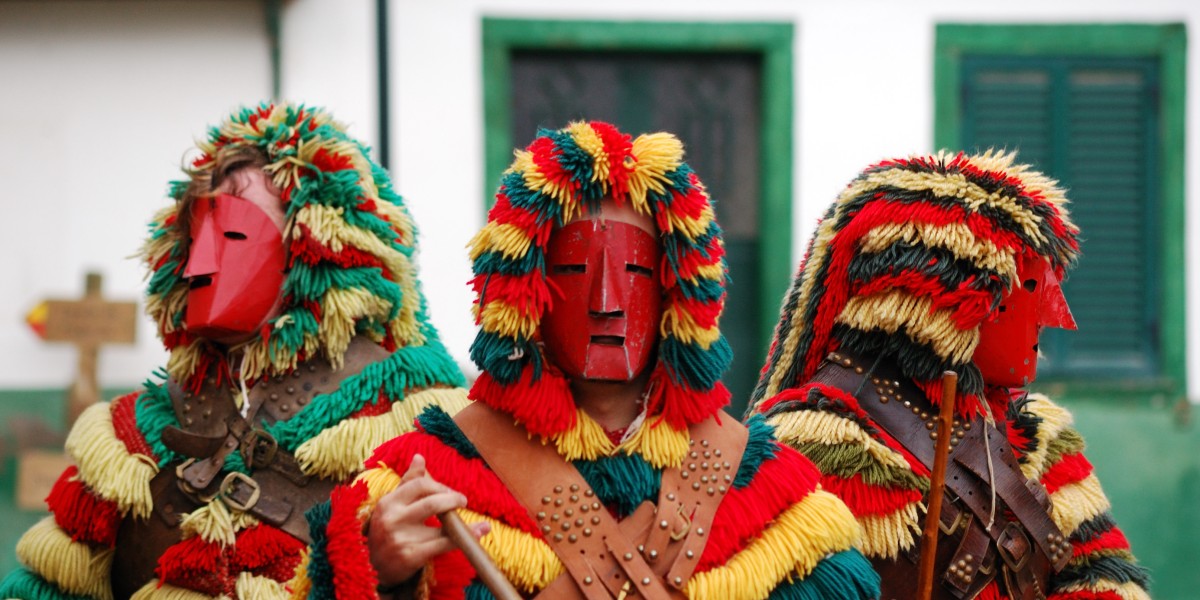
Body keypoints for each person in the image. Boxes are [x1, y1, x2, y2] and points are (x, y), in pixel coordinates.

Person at [289, 121, 881, 599]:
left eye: (636, 273)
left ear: (678, 294)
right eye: (574, 270)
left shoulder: (768, 488)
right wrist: (374, 572)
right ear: (526, 293)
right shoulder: (434, 475)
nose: (605, 302)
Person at [0, 103, 468, 599]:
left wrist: (380, 573)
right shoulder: (128, 438)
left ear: (313, 251)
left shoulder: (408, 424)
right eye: (196, 238)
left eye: (233, 236)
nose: (197, 266)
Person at [748, 151, 1150, 600]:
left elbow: (1110, 579)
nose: (1057, 319)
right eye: (1032, 288)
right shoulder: (812, 450)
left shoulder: (1037, 436)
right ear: (952, 302)